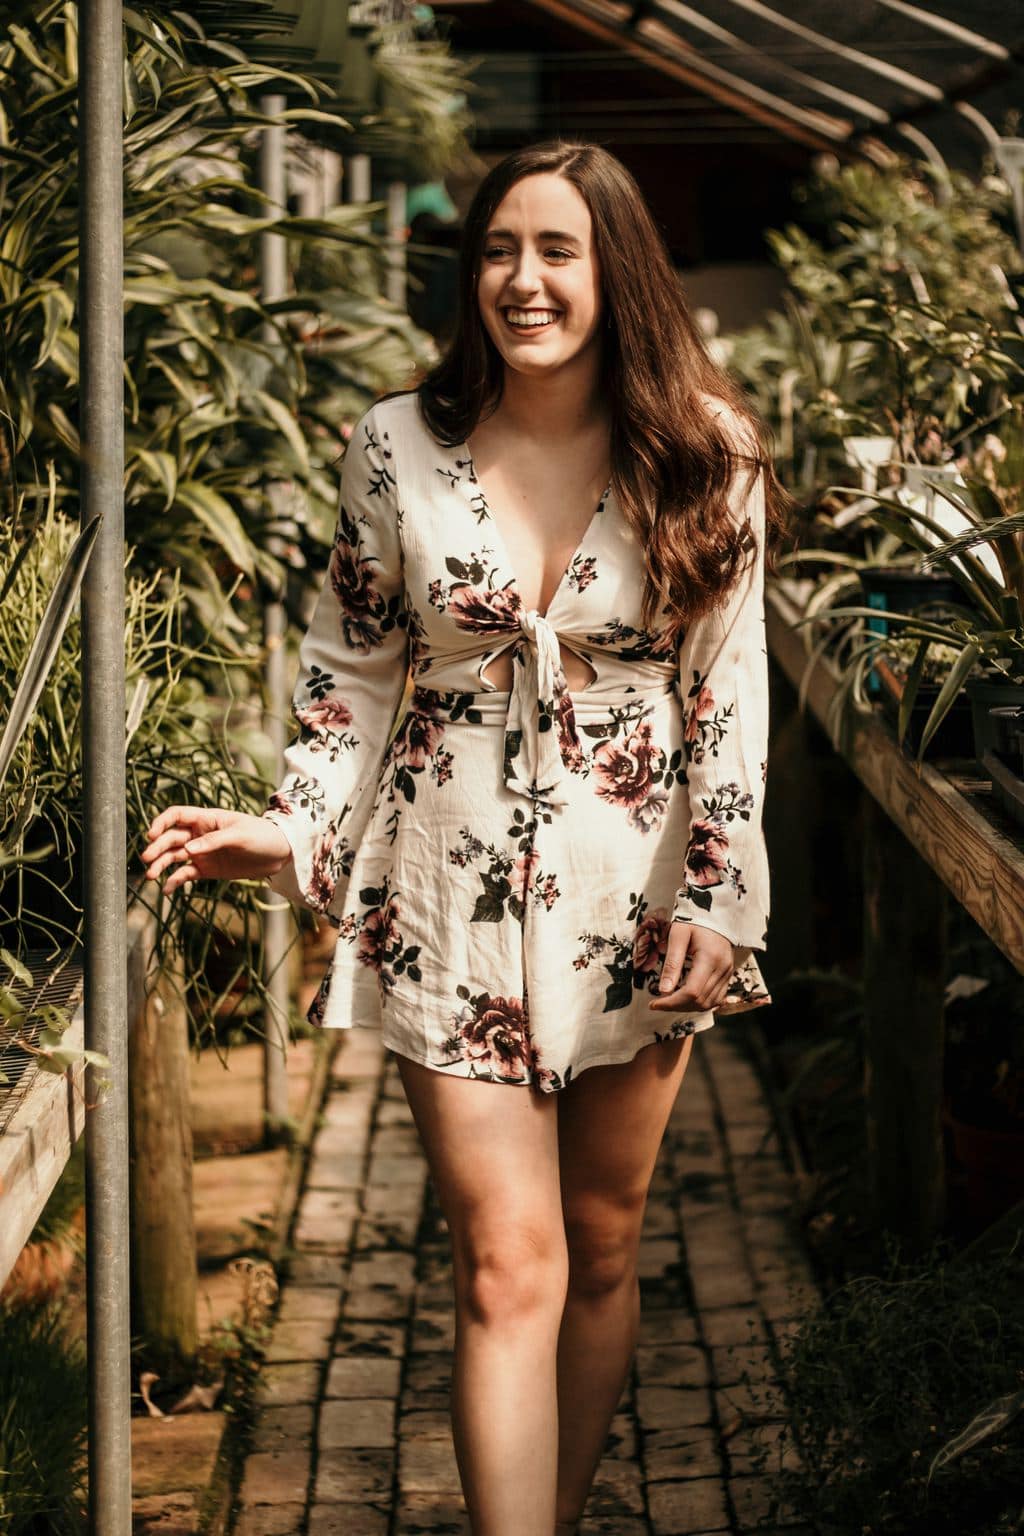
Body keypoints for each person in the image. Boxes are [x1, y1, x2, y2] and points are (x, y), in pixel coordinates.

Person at [143, 140, 790, 1536]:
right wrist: (294, 823)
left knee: (603, 1247)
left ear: (616, 271)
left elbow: (727, 691)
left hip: (640, 891)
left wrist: (720, 899)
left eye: (557, 250)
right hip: (447, 881)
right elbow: (352, 666)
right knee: (507, 1261)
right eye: (501, 248)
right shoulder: (397, 442)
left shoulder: (709, 450)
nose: (524, 279)